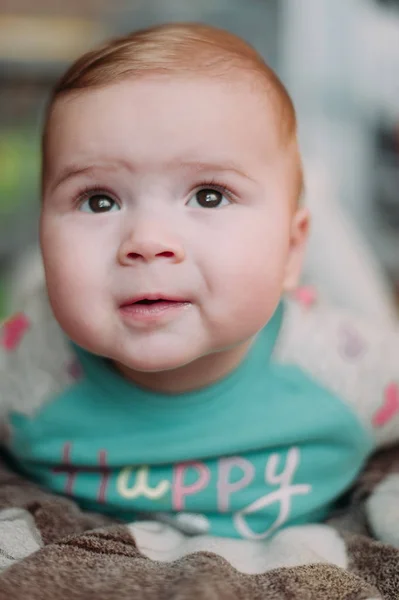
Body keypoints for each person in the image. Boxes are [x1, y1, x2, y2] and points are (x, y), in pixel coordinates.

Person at [1, 23, 398, 541]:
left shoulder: (349, 369)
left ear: (291, 251)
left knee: (357, 283)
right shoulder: (28, 366)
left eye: (209, 195)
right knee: (42, 285)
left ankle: (312, 195)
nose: (147, 239)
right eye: (98, 199)